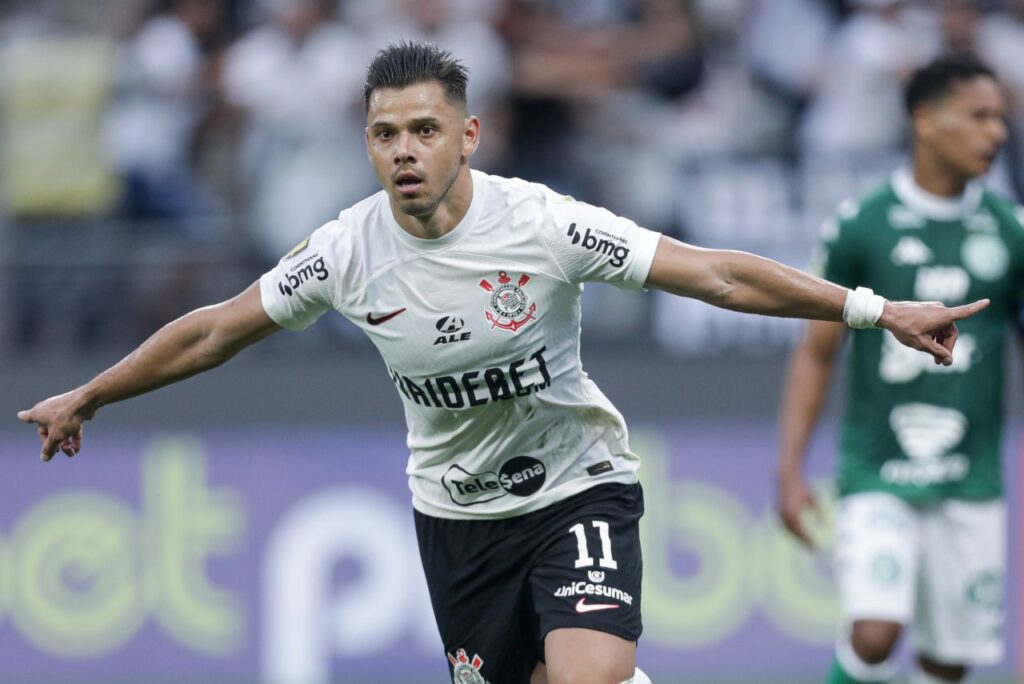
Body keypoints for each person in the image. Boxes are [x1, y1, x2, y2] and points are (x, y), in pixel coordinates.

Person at [19, 42, 987, 684]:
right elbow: (216, 330)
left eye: (423, 130)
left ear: (467, 136)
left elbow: (717, 276)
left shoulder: (542, 224)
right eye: (384, 133)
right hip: (458, 521)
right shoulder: (345, 252)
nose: (403, 150)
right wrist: (93, 395)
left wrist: (871, 308)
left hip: (578, 490)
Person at [776, 54, 1019, 684]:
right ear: (926, 120)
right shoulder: (863, 225)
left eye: (1002, 117)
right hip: (877, 471)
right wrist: (790, 469)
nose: (997, 132)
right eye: (980, 116)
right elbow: (816, 353)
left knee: (947, 661)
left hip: (973, 480)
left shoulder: (1010, 231)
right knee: (876, 634)